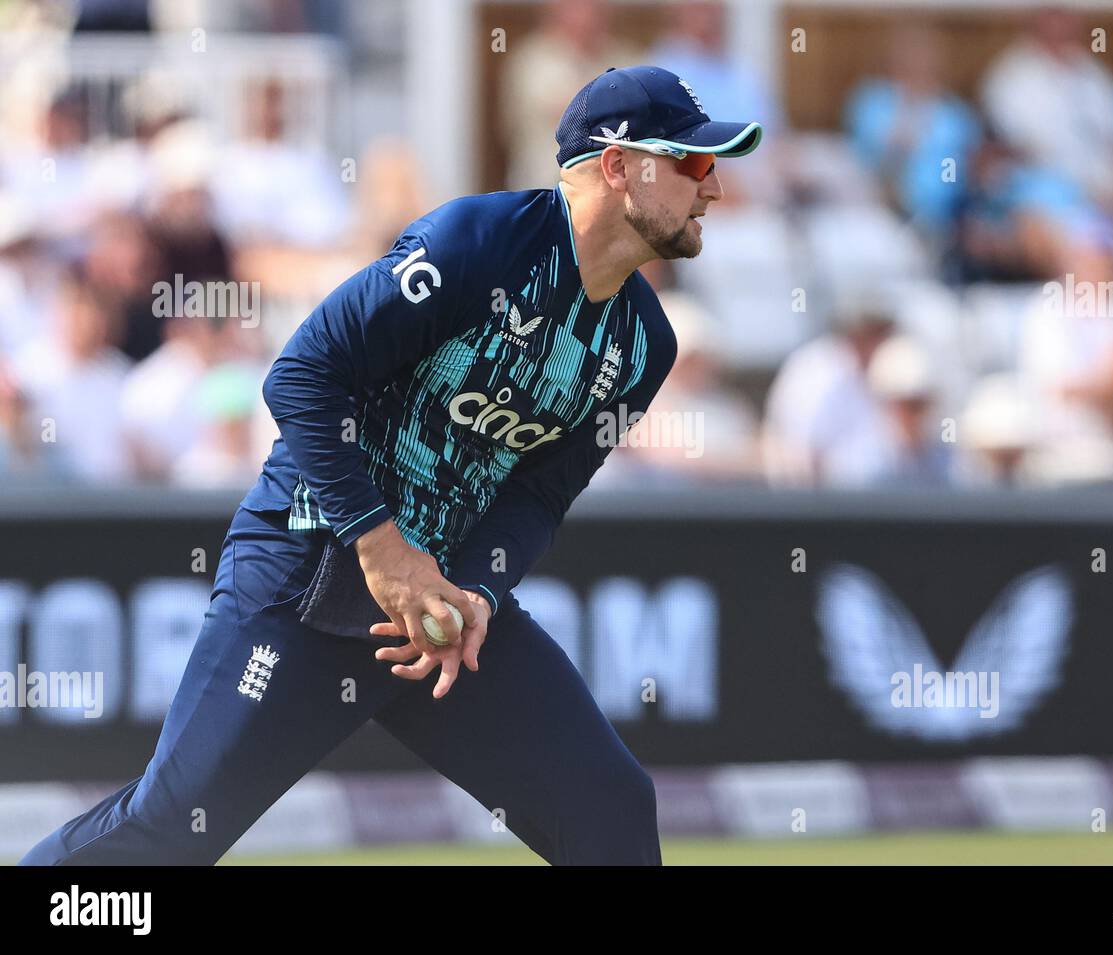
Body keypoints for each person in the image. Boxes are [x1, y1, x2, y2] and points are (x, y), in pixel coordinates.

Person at [21, 65, 762, 866]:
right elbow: (301, 376)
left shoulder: (644, 343)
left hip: (437, 606)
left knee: (609, 807)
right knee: (170, 827)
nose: (713, 187)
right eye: (690, 162)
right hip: (308, 570)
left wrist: (477, 586)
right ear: (617, 166)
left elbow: (541, 488)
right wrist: (383, 548)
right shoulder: (476, 244)